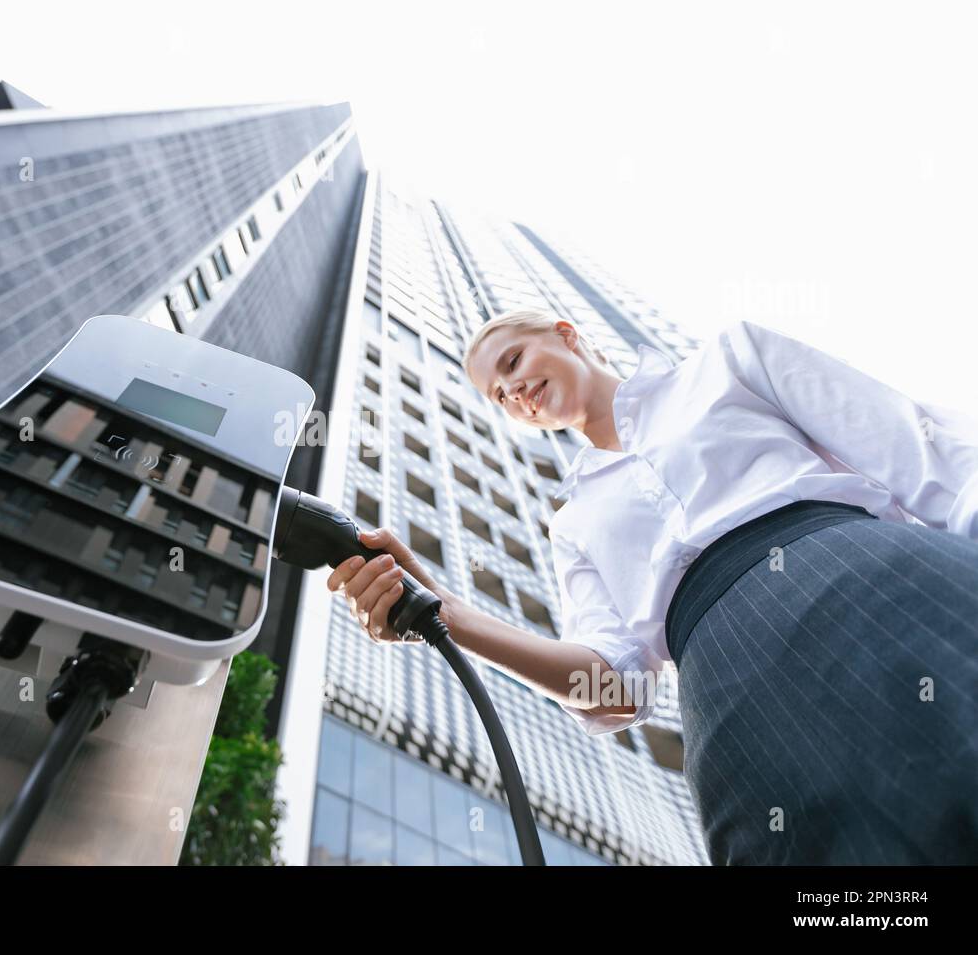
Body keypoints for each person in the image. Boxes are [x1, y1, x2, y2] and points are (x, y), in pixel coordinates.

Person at [327, 309, 978, 864]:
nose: (513, 391)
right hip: (729, 695)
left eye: (514, 361)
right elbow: (614, 690)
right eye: (498, 396)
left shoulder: (730, 359)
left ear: (566, 333)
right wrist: (447, 614)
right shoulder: (572, 525)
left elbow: (915, 448)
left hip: (861, 578)